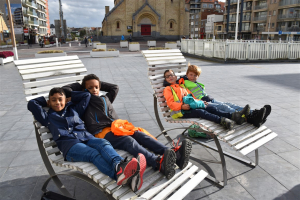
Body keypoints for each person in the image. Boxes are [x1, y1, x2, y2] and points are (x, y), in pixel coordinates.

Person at [62, 74, 192, 192]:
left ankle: (174, 154)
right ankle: (158, 163)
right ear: (84, 90)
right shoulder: (84, 101)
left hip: (118, 126)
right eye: (90, 88)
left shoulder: (105, 98)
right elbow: (66, 90)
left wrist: (97, 82)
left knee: (139, 135)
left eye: (96, 87)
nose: (94, 89)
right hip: (101, 132)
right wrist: (82, 86)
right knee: (127, 141)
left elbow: (114, 87)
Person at [27, 88, 145, 188]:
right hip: (70, 146)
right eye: (53, 100)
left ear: (65, 100)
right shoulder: (47, 117)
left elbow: (86, 95)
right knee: (93, 154)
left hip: (86, 138)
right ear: (49, 102)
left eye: (60, 99)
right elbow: (31, 104)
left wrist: (71, 97)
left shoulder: (74, 109)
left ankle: (120, 166)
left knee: (103, 142)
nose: (57, 102)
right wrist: (44, 102)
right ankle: (119, 175)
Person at [179, 64, 271, 127]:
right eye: (191, 75)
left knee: (229, 104)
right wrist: (181, 79)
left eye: (195, 75)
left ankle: (254, 113)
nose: (193, 77)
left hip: (209, 99)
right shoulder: (184, 83)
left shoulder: (196, 83)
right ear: (187, 74)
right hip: (202, 103)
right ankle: (248, 117)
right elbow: (180, 89)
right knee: (223, 106)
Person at [163, 70, 251, 130]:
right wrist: (181, 106)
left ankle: (233, 116)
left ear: (175, 76)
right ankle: (222, 121)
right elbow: (170, 103)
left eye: (171, 75)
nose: (170, 77)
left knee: (211, 108)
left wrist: (201, 102)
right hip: (181, 112)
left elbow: (192, 96)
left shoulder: (182, 86)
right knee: (201, 112)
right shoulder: (168, 89)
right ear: (166, 79)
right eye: (167, 76)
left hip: (190, 107)